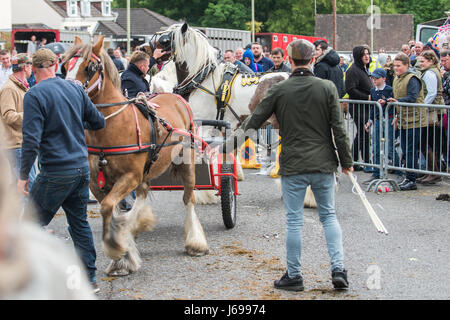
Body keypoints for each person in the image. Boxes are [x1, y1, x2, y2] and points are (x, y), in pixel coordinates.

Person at [243, 39, 353, 291]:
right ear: (313, 60)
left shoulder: (279, 90)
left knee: (294, 221)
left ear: (290, 61)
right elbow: (339, 129)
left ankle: (294, 276)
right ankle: (338, 269)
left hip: (293, 164)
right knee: (329, 216)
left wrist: (225, 147)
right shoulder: (327, 88)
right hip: (324, 162)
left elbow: (254, 120)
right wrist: (346, 162)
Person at [17, 48, 106, 292]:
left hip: (56, 170)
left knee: (29, 228)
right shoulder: (76, 88)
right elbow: (99, 121)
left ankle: (26, 282)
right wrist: (74, 121)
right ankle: (90, 280)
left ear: (33, 70)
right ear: (56, 65)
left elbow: (31, 140)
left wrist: (23, 176)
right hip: (80, 169)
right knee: (79, 225)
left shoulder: (34, 95)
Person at [387, 52, 428, 191]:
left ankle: (411, 179)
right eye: (394, 66)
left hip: (415, 120)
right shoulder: (397, 79)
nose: (396, 68)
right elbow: (396, 95)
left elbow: (412, 97)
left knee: (411, 150)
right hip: (404, 119)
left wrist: (397, 101)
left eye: (399, 66)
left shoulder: (412, 79)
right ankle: (408, 176)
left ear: (406, 65)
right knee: (405, 149)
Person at [0, 54, 36, 194]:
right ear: (25, 67)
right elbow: (9, 116)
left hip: (22, 144)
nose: (31, 69)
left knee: (24, 186)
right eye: (30, 65)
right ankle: (24, 215)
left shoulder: (20, 86)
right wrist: (32, 115)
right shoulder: (10, 89)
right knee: (26, 188)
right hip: (16, 145)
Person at [363, 68, 400, 184]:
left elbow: (394, 103)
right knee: (375, 146)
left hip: (388, 119)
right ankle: (376, 173)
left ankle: (399, 171)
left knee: (390, 147)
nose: (374, 80)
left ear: (384, 78)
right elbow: (373, 108)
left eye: (377, 78)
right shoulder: (373, 90)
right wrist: (370, 120)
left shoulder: (389, 89)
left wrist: (394, 114)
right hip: (378, 120)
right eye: (373, 78)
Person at [416, 50, 445, 184]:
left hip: (432, 113)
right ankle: (432, 171)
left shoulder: (429, 73)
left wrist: (422, 107)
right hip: (434, 111)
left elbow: (431, 93)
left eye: (423, 61)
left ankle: (433, 171)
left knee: (425, 142)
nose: (420, 64)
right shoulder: (432, 71)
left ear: (431, 61)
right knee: (430, 143)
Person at [345, 46, 373, 171]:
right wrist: (366, 97)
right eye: (364, 54)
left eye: (368, 53)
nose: (367, 56)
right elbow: (350, 89)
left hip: (365, 106)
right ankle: (365, 161)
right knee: (363, 133)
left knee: (362, 133)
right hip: (358, 106)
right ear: (358, 56)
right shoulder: (353, 70)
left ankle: (356, 160)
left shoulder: (364, 69)